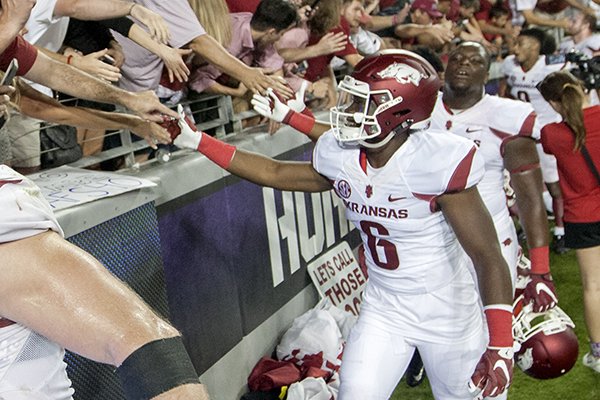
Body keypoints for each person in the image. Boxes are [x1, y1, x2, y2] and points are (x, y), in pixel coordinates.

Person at [174, 50, 515, 400]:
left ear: (399, 111)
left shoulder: (437, 162)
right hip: (384, 310)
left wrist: (501, 344)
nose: (349, 111)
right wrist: (197, 141)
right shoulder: (344, 155)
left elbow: (487, 255)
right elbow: (272, 172)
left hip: (449, 316)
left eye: (362, 103)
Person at [537, 69, 600, 374]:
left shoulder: (552, 134)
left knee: (593, 286)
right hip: (588, 212)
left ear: (553, 102)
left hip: (583, 217)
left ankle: (599, 354)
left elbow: (551, 145)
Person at [500, 27, 568, 254]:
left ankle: (560, 231)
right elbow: (506, 89)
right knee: (520, 188)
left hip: (545, 135)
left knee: (555, 186)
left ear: (536, 46)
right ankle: (527, 227)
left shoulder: (550, 64)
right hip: (522, 135)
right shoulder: (510, 64)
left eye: (521, 43)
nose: (515, 48)